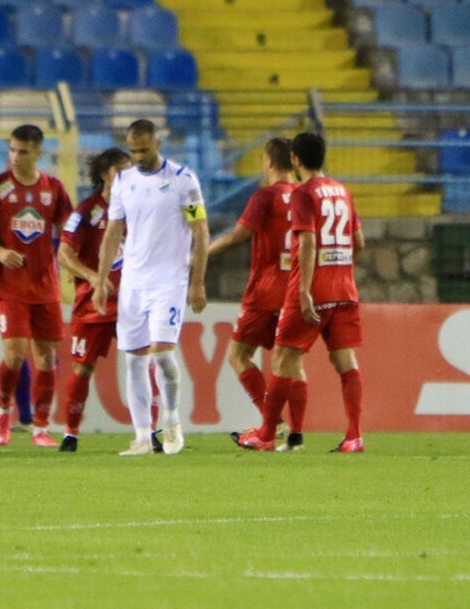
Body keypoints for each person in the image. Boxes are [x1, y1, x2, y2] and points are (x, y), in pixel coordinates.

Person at [233, 132, 366, 453]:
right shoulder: (342, 191)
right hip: (345, 290)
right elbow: (358, 242)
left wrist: (305, 290)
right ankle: (354, 436)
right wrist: (340, 268)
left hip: (313, 290)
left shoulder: (304, 194)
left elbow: (305, 241)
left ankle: (266, 435)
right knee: (345, 361)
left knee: (282, 357)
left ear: (295, 160)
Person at [93, 119, 209, 456]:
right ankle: (143, 437)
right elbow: (113, 231)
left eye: (144, 149)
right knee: (134, 361)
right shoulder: (123, 182)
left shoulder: (182, 180)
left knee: (162, 354)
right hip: (133, 282)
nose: (138, 156)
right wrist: (102, 280)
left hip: (169, 280)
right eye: (133, 150)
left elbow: (200, 230)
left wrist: (197, 280)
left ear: (158, 143)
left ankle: (171, 419)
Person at [0, 124, 73, 447]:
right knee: (16, 355)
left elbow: (68, 230)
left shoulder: (54, 189)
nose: (15, 157)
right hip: (11, 286)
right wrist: (0, 251)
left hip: (45, 285)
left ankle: (40, 428)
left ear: (38, 153)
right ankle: (4, 410)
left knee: (47, 359)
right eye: (12, 150)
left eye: (23, 151)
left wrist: (72, 261)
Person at [208, 137, 308, 451]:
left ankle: (272, 423)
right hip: (296, 291)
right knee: (292, 363)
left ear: (268, 162)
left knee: (238, 356)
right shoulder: (308, 197)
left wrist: (203, 253)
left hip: (264, 294)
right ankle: (296, 435)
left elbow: (238, 236)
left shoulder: (264, 197)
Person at [57, 147, 131, 453]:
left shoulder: (137, 208)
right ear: (104, 174)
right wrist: (92, 277)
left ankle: (152, 430)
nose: (127, 177)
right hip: (94, 304)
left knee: (145, 363)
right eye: (120, 171)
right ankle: (71, 433)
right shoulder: (86, 211)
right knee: (82, 368)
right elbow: (63, 254)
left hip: (131, 303)